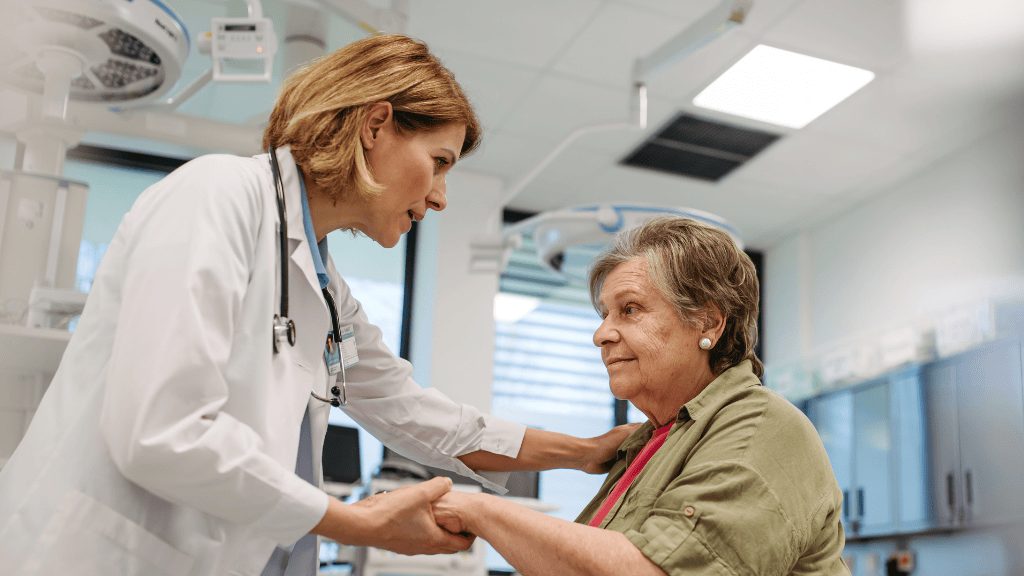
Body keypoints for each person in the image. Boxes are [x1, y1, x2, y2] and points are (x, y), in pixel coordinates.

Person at [0, 35, 633, 576]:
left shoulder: (324, 288)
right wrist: (357, 524)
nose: (440, 198)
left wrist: (584, 452)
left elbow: (421, 417)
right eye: (438, 163)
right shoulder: (216, 196)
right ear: (375, 126)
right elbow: (162, 432)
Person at [432, 217, 850, 576]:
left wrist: (478, 511)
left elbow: (655, 570)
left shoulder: (761, 428)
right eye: (604, 315)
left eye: (630, 309)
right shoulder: (651, 441)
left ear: (707, 322)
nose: (601, 335)